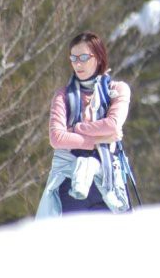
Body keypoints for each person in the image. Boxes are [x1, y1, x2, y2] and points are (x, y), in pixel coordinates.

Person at [36, 31, 132, 217]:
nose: (77, 63)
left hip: (107, 182)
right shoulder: (62, 96)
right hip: (70, 181)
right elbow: (57, 138)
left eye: (83, 57)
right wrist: (99, 140)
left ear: (98, 57)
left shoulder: (118, 89)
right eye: (73, 58)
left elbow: (112, 125)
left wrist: (77, 129)